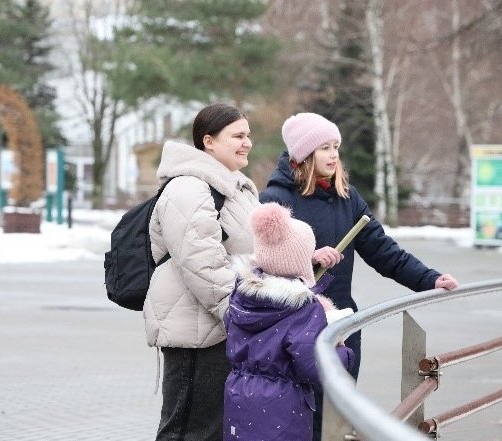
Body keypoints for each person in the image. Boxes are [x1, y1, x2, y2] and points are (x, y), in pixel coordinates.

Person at [259, 112, 459, 441]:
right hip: (293, 331)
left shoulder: (347, 198)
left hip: (342, 328)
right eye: (324, 147)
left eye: (335, 146)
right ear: (303, 154)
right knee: (302, 422)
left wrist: (430, 279)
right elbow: (262, 264)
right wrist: (307, 258)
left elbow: (384, 252)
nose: (334, 154)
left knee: (338, 418)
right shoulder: (275, 201)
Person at [145, 103, 260, 441]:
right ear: (208, 141)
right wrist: (238, 316)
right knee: (188, 431)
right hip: (196, 332)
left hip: (221, 326)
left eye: (248, 135)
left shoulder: (236, 187)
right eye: (237, 135)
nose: (247, 142)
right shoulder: (190, 188)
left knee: (211, 430)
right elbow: (202, 262)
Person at [223, 202, 355, 441]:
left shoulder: (241, 295)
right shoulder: (303, 310)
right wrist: (344, 354)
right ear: (299, 261)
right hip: (283, 406)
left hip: (238, 396)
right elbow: (313, 366)